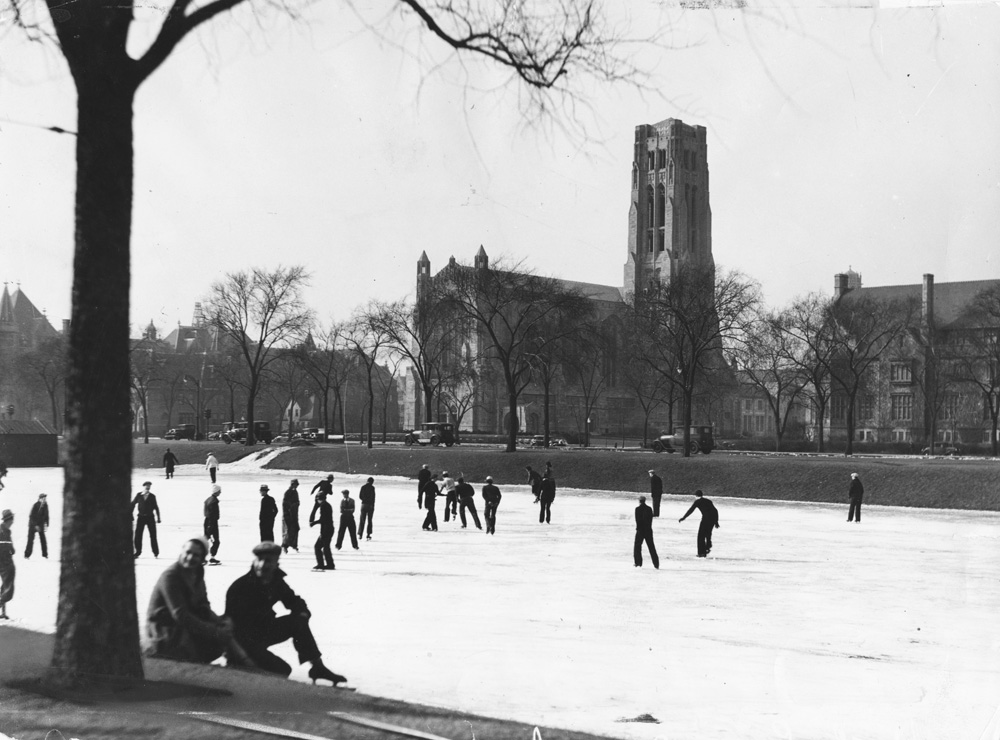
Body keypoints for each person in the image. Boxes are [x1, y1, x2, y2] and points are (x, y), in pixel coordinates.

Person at [225, 542, 346, 685]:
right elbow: (230, 629)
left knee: (297, 622)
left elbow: (295, 602)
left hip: (261, 633)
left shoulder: (276, 582)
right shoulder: (241, 587)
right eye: (259, 560)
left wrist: (303, 615)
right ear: (254, 561)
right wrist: (242, 657)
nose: (263, 565)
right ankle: (239, 670)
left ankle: (317, 667)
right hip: (242, 643)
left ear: (277, 563)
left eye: (268, 561)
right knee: (282, 671)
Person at [145, 537, 253, 666]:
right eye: (188, 553)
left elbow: (203, 605)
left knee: (225, 631)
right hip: (165, 629)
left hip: (185, 624)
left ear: (202, 559)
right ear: (181, 553)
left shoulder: (197, 572)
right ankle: (244, 662)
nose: (190, 558)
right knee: (212, 639)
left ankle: (243, 662)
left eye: (196, 555)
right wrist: (215, 631)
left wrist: (220, 622)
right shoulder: (171, 576)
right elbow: (180, 615)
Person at [678, 490, 719, 557]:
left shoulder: (697, 502)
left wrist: (683, 518)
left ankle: (701, 552)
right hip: (712, 519)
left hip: (705, 519)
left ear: (696, 496)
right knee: (708, 533)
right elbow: (715, 511)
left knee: (701, 536)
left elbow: (690, 510)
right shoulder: (708, 501)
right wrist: (716, 522)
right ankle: (708, 546)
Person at [132, 481, 161, 558]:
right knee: (138, 535)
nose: (148, 487)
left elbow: (156, 507)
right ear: (143, 487)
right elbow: (132, 504)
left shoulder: (152, 496)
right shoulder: (139, 495)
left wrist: (158, 518)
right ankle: (137, 552)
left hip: (150, 518)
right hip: (141, 517)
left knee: (153, 535)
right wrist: (131, 515)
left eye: (149, 486)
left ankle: (156, 552)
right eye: (146, 486)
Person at [309, 491, 335, 570]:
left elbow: (323, 519)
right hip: (329, 529)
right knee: (326, 548)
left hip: (326, 530)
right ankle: (330, 564)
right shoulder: (327, 505)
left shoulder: (323, 506)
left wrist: (314, 523)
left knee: (317, 547)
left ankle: (321, 564)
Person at [634, 496, 659, 569]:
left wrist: (638, 529)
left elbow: (637, 520)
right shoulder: (649, 509)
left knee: (637, 546)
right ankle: (656, 563)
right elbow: (650, 520)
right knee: (651, 547)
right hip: (648, 530)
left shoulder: (637, 509)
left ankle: (638, 562)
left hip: (640, 530)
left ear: (639, 501)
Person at [24, 493, 50, 559]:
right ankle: (27, 555)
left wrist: (46, 524)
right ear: (40, 499)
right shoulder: (35, 505)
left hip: (40, 525)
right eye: (43, 499)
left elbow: (47, 516)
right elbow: (31, 516)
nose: (44, 500)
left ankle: (45, 554)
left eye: (45, 499)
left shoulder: (46, 505)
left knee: (43, 539)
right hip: (32, 525)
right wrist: (35, 525)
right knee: (30, 540)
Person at [0, 510, 14, 619]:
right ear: (8, 520)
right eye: (12, 519)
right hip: (4, 563)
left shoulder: (7, 531)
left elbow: (9, 546)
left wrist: (12, 550)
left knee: (5, 586)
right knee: (8, 590)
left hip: (5, 562)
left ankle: (3, 613)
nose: (13, 522)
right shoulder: (2, 531)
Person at [204, 484, 223, 564]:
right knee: (216, 541)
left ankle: (202, 557)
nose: (220, 492)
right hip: (212, 523)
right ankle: (212, 557)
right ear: (216, 492)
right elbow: (213, 514)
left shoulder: (208, 499)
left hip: (207, 521)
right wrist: (211, 527)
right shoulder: (214, 502)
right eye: (219, 491)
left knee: (205, 540)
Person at [281, 479, 301, 553]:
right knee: (287, 531)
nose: (296, 486)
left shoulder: (295, 492)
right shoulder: (287, 493)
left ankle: (294, 545)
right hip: (288, 515)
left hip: (294, 515)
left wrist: (296, 504)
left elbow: (297, 502)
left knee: (296, 529)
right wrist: (288, 513)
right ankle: (285, 545)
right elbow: (285, 504)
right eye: (295, 485)